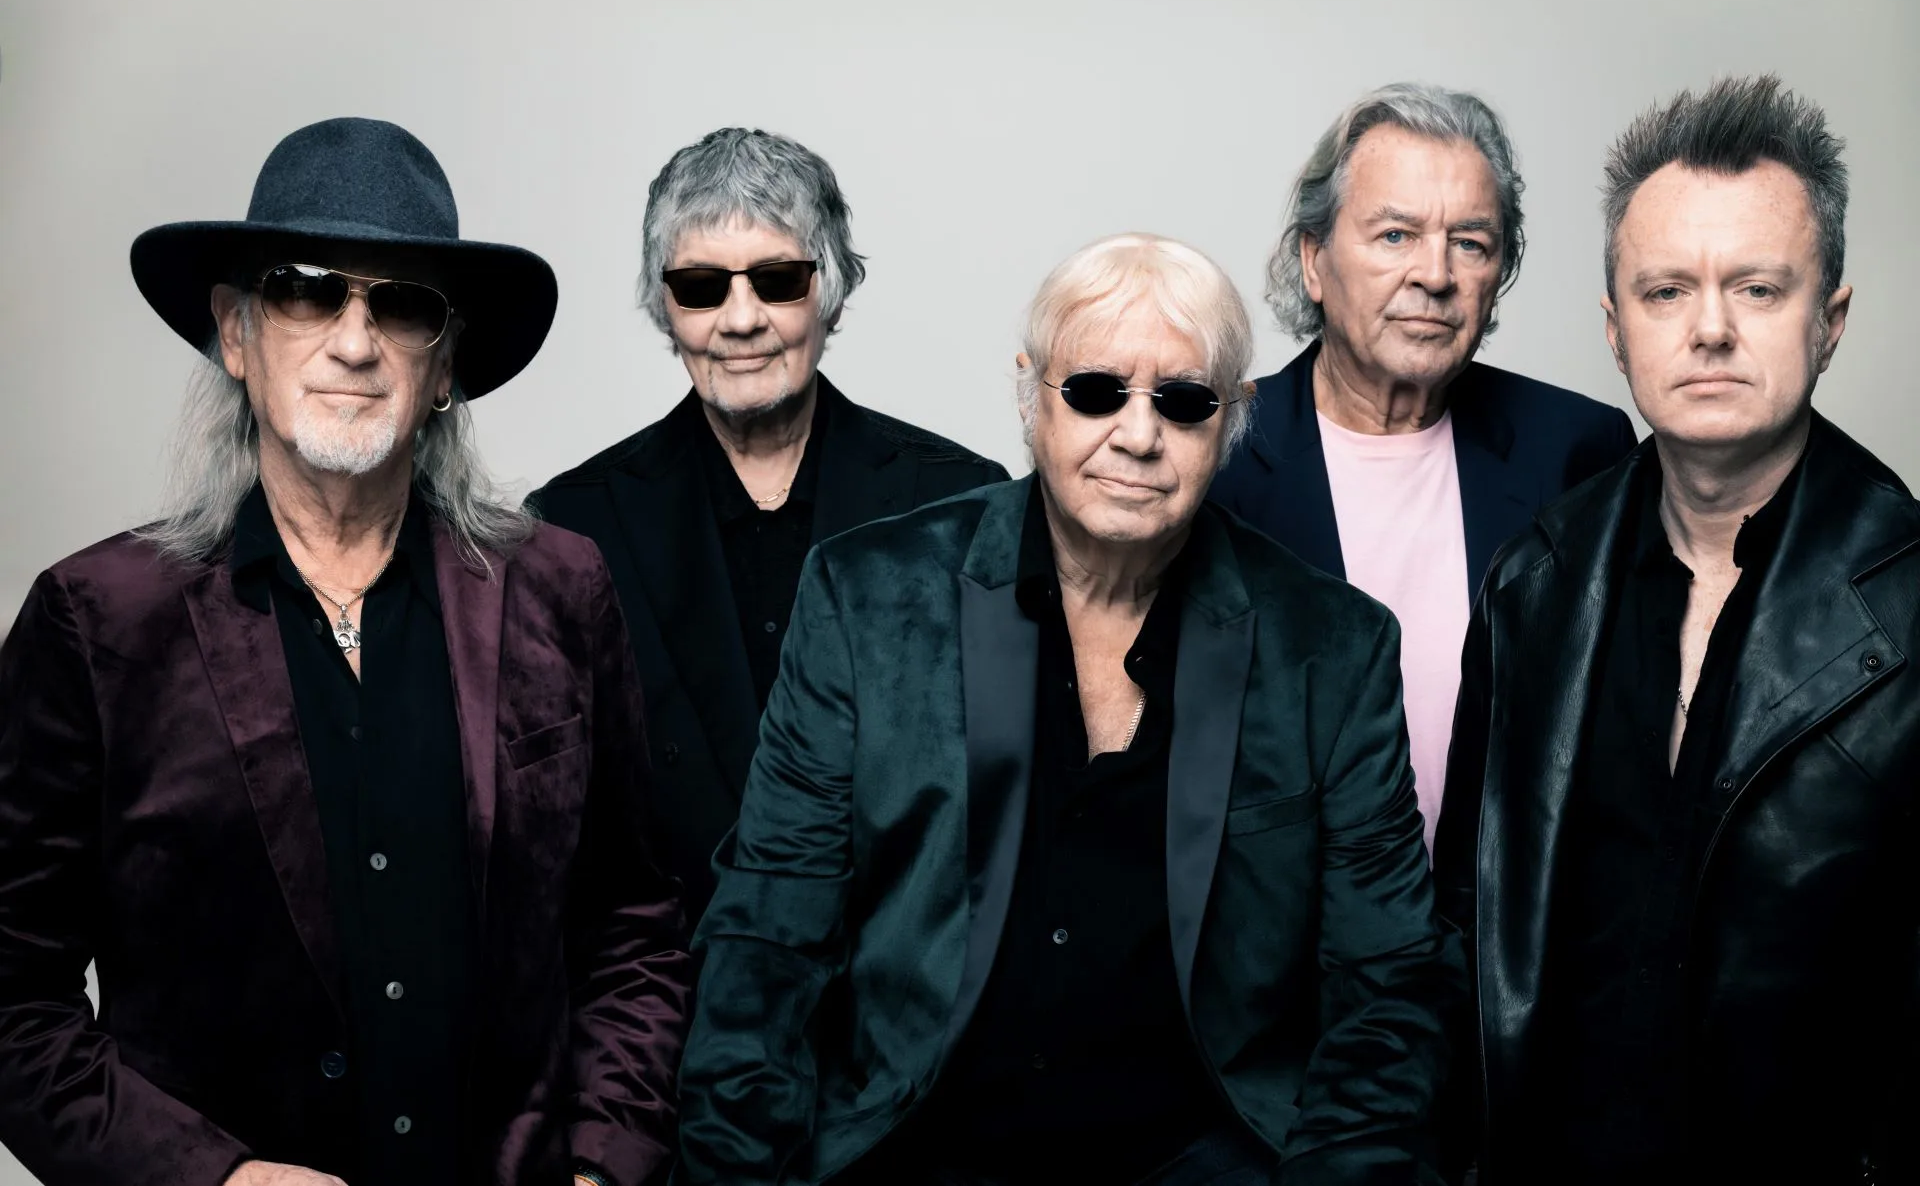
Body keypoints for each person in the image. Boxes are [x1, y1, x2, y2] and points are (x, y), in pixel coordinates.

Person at [678, 234, 1459, 1185]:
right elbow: (765, 942)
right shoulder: (866, 599)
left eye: (1183, 400)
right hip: (920, 1154)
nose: (1138, 435)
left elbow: (1388, 987)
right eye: (1095, 391)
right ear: (1030, 395)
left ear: (1232, 419)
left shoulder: (1332, 648)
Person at [0, 118, 690, 1186]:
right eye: (306, 291)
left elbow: (633, 932)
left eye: (402, 305)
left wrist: (601, 1163)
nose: (355, 342)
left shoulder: (560, 591)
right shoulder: (97, 624)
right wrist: (213, 1180)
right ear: (236, 337)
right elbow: (12, 998)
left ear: (445, 367)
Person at [1434, 75, 1920, 1182]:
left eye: (1757, 288)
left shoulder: (1908, 599)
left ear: (1831, 320)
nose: (1709, 329)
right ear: (1616, 331)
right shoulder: (1533, 583)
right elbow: (1467, 919)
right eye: (1666, 291)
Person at [534, 127, 1007, 922]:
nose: (741, 319)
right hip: (669, 981)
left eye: (778, 280)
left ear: (831, 291)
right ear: (665, 306)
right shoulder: (571, 527)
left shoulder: (961, 503)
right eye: (701, 286)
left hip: (893, 977)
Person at [1209, 83, 1636, 848]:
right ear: (1313, 260)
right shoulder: (1217, 455)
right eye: (1396, 235)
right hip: (1288, 918)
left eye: (1470, 243)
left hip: (1505, 918)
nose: (1435, 274)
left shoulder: (1580, 451)